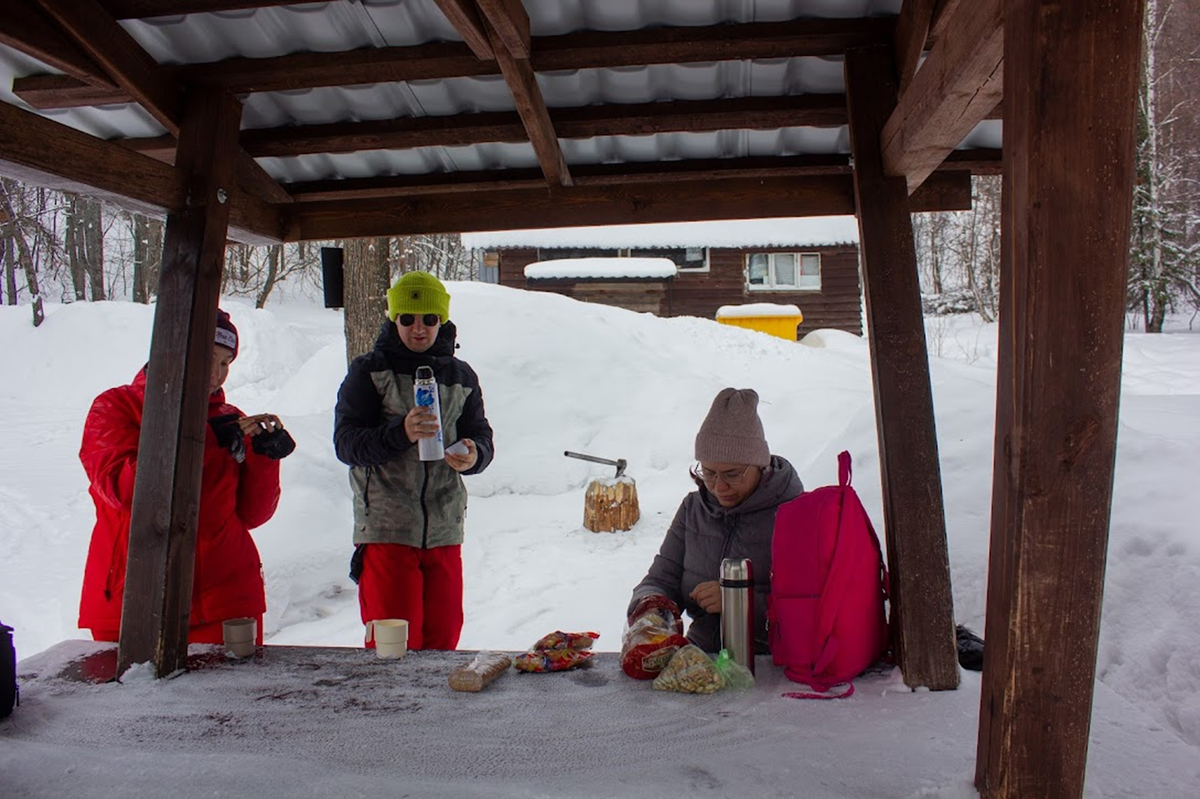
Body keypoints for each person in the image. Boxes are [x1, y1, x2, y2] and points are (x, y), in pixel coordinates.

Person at [79, 309, 286, 645]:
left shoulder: (232, 419)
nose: (216, 375)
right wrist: (198, 439)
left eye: (225, 364)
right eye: (209, 358)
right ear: (175, 350)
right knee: (131, 699)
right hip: (134, 600)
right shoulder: (115, 406)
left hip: (228, 597)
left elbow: (253, 514)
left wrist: (263, 456)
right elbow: (124, 492)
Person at [334, 271, 494, 651]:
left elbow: (483, 436)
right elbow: (346, 444)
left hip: (443, 530)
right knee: (394, 647)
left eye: (428, 319)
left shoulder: (461, 375)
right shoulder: (369, 372)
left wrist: (473, 454)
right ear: (394, 319)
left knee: (442, 642)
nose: (418, 329)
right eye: (407, 318)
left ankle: (440, 713)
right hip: (387, 531)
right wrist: (399, 433)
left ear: (442, 321)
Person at [628, 387, 803, 653]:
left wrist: (737, 602)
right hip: (701, 658)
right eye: (708, 473)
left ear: (760, 466)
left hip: (774, 664)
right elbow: (662, 579)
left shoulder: (797, 515)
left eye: (733, 474)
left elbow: (809, 611)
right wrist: (652, 608)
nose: (719, 487)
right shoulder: (693, 509)